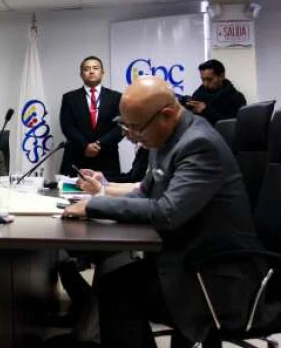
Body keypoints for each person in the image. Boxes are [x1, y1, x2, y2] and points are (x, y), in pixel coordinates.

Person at [63, 77, 265, 347]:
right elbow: (145, 193)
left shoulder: (198, 144)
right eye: (126, 126)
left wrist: (92, 204)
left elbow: (167, 212)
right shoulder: (165, 138)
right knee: (114, 278)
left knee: (116, 288)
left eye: (136, 128)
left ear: (167, 115)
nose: (132, 136)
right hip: (190, 255)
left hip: (217, 274)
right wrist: (98, 201)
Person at [60, 56, 124, 177]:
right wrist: (85, 146)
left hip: (107, 157)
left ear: (102, 73)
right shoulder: (69, 98)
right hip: (77, 156)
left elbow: (121, 127)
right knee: (69, 194)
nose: (91, 71)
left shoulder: (116, 97)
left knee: (109, 193)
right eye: (86, 69)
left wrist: (99, 143)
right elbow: (67, 126)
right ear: (81, 74)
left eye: (95, 68)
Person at [187, 59, 247, 126]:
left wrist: (206, 110)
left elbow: (231, 126)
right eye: (203, 79)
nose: (205, 84)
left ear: (221, 76)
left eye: (209, 79)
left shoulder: (236, 98)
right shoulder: (198, 95)